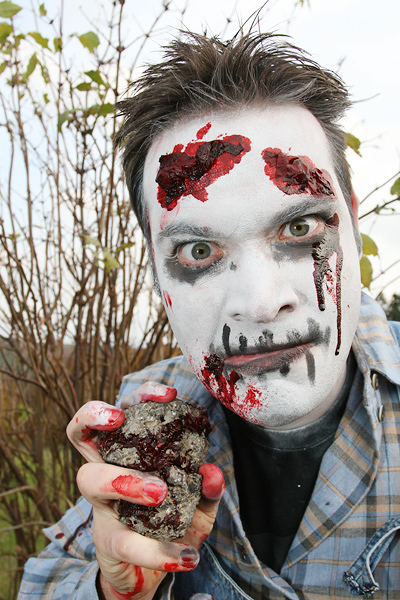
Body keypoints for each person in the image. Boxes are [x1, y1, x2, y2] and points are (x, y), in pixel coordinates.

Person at [18, 31, 400, 600]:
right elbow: (46, 579)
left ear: (353, 224)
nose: (261, 303)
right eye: (199, 251)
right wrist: (112, 589)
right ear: (155, 271)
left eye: (299, 227)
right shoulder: (149, 418)